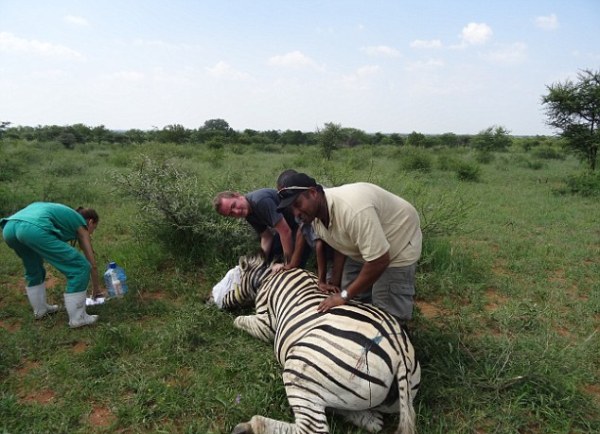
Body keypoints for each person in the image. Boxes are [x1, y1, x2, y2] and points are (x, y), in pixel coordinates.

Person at [277, 173, 422, 322]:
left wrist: (344, 295)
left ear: (313, 193)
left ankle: (395, 336)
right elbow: (340, 243)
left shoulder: (352, 211)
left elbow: (380, 260)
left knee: (386, 310)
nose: (296, 213)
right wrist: (336, 285)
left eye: (297, 204)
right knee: (354, 296)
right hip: (364, 244)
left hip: (399, 237)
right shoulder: (314, 214)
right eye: (291, 209)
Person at [1, 202, 103, 328]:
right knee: (80, 267)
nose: (92, 233)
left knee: (34, 268)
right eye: (94, 228)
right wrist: (96, 289)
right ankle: (78, 318)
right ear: (90, 222)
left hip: (9, 228)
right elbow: (91, 263)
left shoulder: (65, 216)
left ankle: (40, 310)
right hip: (32, 228)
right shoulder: (80, 223)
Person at [272, 169, 331, 286]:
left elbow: (320, 245)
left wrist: (322, 280)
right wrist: (292, 264)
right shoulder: (299, 203)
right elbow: (301, 230)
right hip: (328, 251)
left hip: (338, 251)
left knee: (333, 285)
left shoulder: (312, 202)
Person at [213, 188, 300, 264]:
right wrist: (260, 262)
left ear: (237, 195)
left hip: (301, 225)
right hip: (288, 228)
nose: (236, 212)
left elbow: (285, 232)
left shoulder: (260, 202)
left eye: (234, 205)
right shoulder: (248, 213)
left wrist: (287, 263)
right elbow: (266, 237)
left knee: (291, 268)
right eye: (231, 214)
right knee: (269, 261)